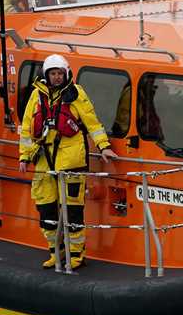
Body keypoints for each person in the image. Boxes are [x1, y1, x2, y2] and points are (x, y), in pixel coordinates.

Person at [18, 54, 117, 269]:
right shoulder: (37, 95)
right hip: (44, 160)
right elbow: (27, 129)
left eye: (59, 73)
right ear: (46, 75)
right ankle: (56, 251)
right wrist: (24, 156)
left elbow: (92, 122)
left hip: (71, 161)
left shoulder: (76, 94)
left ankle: (75, 254)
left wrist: (103, 146)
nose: (56, 77)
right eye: (53, 74)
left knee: (73, 211)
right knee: (46, 210)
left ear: (66, 74)